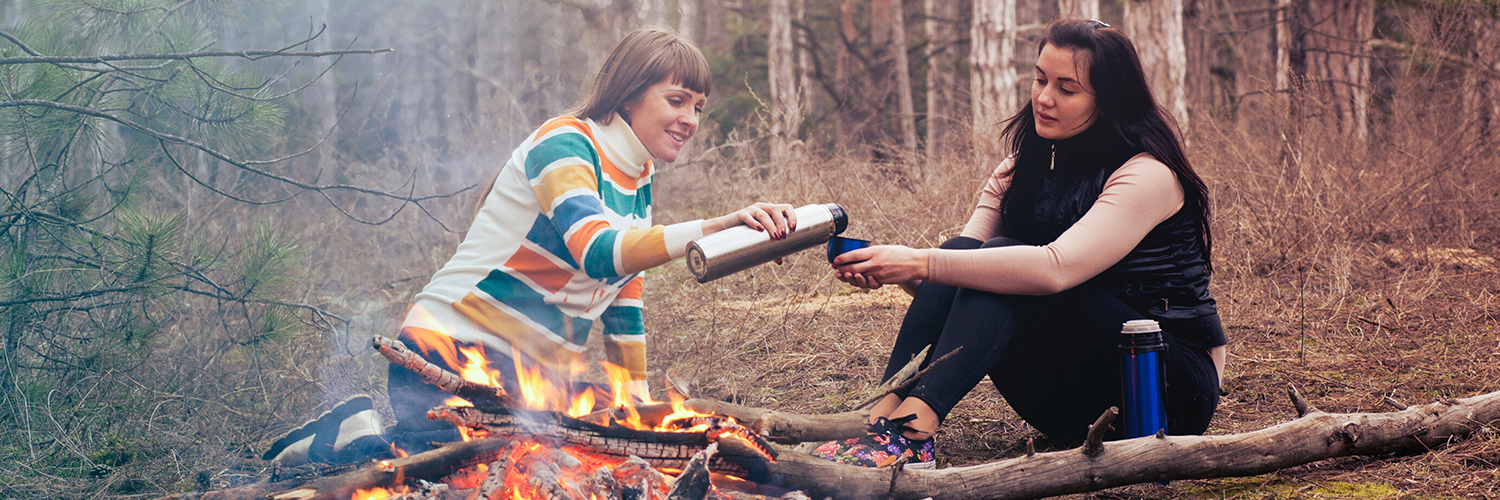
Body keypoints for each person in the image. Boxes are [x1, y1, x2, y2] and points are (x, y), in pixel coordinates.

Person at [263, 27, 797, 466]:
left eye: (699, 107)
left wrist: (636, 404)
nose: (691, 120)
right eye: (677, 100)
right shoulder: (564, 142)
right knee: (460, 469)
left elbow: (623, 292)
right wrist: (714, 226)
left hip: (532, 380)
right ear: (630, 94)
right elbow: (599, 252)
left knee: (571, 460)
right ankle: (345, 438)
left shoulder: (639, 176)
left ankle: (371, 432)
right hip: (450, 351)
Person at [812, 18, 1225, 470]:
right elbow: (959, 280)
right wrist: (900, 272)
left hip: (1164, 390)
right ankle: (874, 423)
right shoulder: (1016, 169)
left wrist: (919, 262)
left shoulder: (1147, 174)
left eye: (1067, 89)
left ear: (1108, 102)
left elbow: (1053, 269)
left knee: (988, 261)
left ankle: (913, 435)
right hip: (1074, 399)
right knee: (964, 252)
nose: (1044, 98)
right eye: (1040, 78)